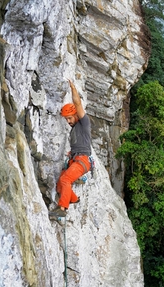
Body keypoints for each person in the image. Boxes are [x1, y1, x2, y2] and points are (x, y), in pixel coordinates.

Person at [49, 80, 92, 220]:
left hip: (82, 161)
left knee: (66, 179)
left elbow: (78, 104)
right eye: (66, 119)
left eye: (69, 118)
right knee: (61, 181)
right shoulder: (74, 130)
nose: (68, 122)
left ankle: (62, 208)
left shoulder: (84, 124)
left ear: (75, 115)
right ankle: (73, 199)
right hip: (76, 159)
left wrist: (73, 88)